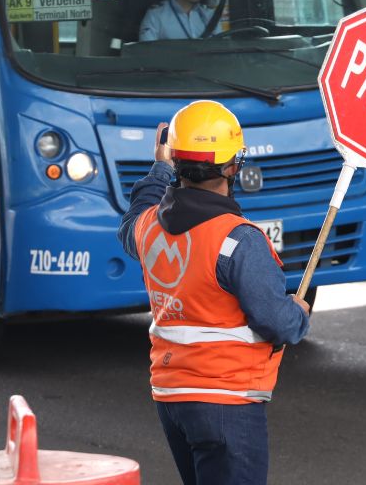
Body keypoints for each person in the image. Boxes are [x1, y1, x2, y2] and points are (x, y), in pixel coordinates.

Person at [117, 99, 311, 485]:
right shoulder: (238, 240)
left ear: (176, 160)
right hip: (225, 400)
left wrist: (159, 167)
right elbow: (278, 323)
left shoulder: (148, 227)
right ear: (233, 166)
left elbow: (133, 217)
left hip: (171, 397)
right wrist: (299, 312)